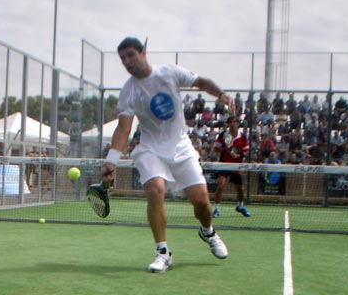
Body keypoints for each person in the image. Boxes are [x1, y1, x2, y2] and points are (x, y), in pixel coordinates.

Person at [100, 37, 232, 273]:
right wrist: (111, 162)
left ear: (143, 52)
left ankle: (208, 232)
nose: (127, 62)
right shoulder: (129, 91)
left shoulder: (169, 73)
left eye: (130, 55)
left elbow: (201, 82)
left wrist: (221, 95)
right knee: (155, 189)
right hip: (150, 148)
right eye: (122, 58)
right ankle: (162, 252)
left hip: (181, 146)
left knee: (202, 203)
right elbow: (123, 128)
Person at [212, 115, 251, 218]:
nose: (233, 124)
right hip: (224, 164)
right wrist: (225, 149)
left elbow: (246, 151)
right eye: (231, 122)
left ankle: (240, 206)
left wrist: (238, 155)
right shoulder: (223, 135)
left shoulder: (242, 136)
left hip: (236, 166)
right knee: (220, 185)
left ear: (238, 124)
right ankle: (216, 209)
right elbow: (216, 148)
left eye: (235, 122)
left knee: (240, 189)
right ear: (228, 124)